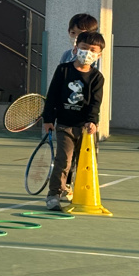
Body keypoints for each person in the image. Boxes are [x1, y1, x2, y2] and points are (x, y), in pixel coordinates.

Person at [41, 31, 106, 211]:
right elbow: (52, 95)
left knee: (85, 164)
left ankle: (79, 194)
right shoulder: (63, 70)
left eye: (93, 50)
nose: (88, 53)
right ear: (76, 49)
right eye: (84, 48)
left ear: (99, 55)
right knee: (63, 161)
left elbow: (95, 103)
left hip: (85, 129)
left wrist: (91, 121)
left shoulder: (97, 77)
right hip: (64, 125)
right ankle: (54, 195)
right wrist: (48, 119)